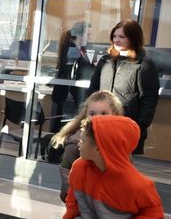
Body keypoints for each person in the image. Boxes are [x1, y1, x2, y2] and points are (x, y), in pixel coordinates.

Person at [87, 19, 160, 154]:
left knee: (119, 166)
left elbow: (149, 98)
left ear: (133, 38)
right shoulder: (105, 61)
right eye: (114, 36)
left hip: (125, 126)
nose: (117, 40)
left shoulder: (143, 64)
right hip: (100, 123)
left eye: (122, 36)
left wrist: (140, 125)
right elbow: (93, 90)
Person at [48, 91, 123, 202]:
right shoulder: (76, 143)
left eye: (103, 113)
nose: (97, 118)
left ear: (115, 115)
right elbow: (67, 177)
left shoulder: (119, 140)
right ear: (86, 115)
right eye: (92, 113)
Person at [50, 22, 90, 132]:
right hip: (68, 95)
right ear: (79, 35)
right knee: (65, 128)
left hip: (68, 94)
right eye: (88, 34)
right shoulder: (72, 50)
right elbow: (73, 72)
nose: (89, 37)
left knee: (62, 128)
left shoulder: (78, 49)